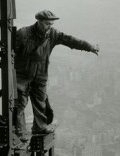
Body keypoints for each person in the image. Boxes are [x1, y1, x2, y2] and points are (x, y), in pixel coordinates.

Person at [14, 10, 99, 141]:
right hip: (22, 74)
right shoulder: (23, 33)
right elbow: (11, 51)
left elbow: (71, 40)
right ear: (39, 22)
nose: (50, 26)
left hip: (40, 74)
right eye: (47, 23)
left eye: (52, 24)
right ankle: (19, 131)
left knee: (40, 101)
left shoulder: (53, 34)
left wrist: (89, 47)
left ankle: (40, 127)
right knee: (20, 103)